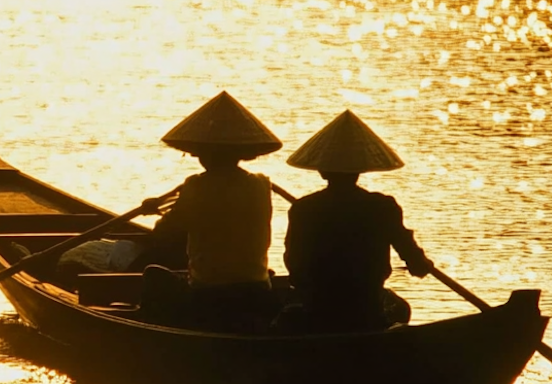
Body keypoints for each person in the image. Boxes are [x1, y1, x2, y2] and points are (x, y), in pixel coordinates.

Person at [141, 91, 283, 332]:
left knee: (152, 275)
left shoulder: (196, 185)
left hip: (209, 295)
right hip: (257, 290)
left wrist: (157, 212)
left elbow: (165, 232)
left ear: (203, 155)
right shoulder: (261, 184)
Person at [281, 110, 433, 332]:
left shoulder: (304, 208)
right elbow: (415, 263)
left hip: (318, 309)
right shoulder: (382, 207)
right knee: (400, 310)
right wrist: (422, 264)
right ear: (361, 169)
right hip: (366, 308)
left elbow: (294, 265)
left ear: (322, 171)